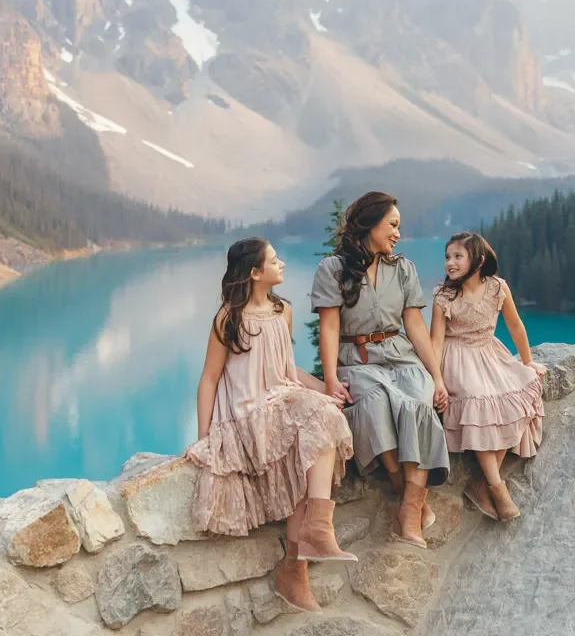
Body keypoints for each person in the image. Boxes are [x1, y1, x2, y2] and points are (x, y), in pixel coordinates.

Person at [188, 238, 357, 613]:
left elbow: (286, 369)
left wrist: (326, 388)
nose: (281, 264)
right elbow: (209, 379)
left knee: (319, 430)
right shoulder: (228, 319)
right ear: (253, 272)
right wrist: (205, 437)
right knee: (319, 420)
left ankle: (297, 565)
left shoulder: (283, 311)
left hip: (282, 401)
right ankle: (313, 539)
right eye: (274, 260)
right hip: (249, 412)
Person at [311, 191, 449, 548]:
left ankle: (410, 509)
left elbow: (415, 326)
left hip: (400, 354)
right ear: (370, 224)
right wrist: (329, 379)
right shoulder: (332, 270)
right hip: (356, 359)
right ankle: (406, 495)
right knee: (374, 404)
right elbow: (328, 327)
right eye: (393, 225)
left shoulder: (403, 268)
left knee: (418, 403)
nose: (397, 234)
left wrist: (437, 377)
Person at [431, 231, 544, 521]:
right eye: (447, 257)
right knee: (477, 401)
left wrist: (528, 361)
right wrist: (437, 380)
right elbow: (436, 342)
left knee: (520, 393)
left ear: (478, 259)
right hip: (457, 359)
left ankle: (481, 484)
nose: (450, 263)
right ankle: (497, 487)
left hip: (489, 352)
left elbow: (516, 326)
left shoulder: (497, 287)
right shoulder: (444, 296)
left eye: (458, 256)